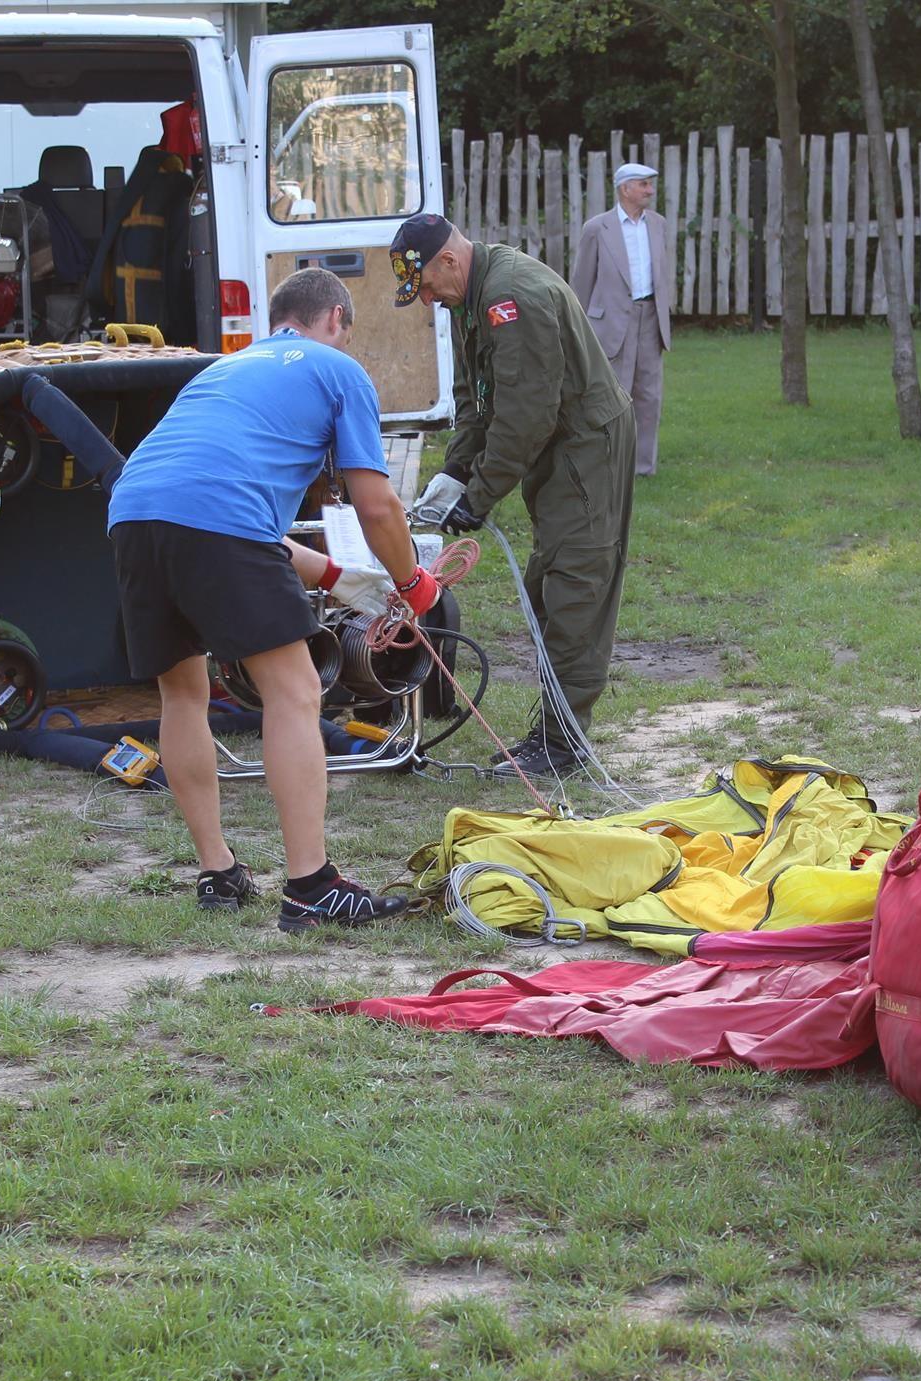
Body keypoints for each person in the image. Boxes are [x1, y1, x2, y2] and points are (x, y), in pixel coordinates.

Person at [106, 267, 439, 930]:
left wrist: (336, 576)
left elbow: (214, 518)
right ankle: (312, 886)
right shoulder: (337, 370)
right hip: (213, 521)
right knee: (294, 692)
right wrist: (411, 585)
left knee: (182, 694)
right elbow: (376, 503)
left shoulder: (225, 370)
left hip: (133, 514)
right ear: (336, 321)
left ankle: (218, 872)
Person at [391, 214, 635, 779]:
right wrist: (453, 474)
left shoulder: (510, 298)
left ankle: (563, 745)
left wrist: (479, 496)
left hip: (583, 447)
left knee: (575, 588)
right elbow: (476, 400)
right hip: (557, 443)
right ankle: (554, 731)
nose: (427, 299)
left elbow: (525, 417)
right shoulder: (468, 297)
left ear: (448, 260)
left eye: (426, 285)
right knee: (545, 585)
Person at [571, 162, 673, 477]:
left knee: (649, 395)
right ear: (625, 188)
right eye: (643, 184)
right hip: (611, 323)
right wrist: (576, 329)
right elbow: (581, 283)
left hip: (650, 318)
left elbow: (663, 274)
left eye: (650, 184)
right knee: (613, 394)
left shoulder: (658, 225)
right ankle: (610, 463)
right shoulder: (596, 229)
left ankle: (643, 466)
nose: (650, 190)